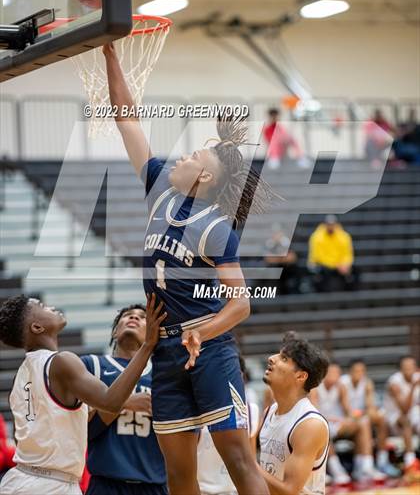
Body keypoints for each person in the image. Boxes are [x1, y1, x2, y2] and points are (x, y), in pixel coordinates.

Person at [104, 42, 273, 495]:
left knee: (239, 461)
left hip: (208, 347)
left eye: (195, 157)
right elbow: (127, 120)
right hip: (165, 351)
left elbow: (241, 306)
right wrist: (110, 57)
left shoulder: (216, 229)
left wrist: (205, 331)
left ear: (204, 178)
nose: (183, 156)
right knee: (178, 476)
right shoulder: (159, 185)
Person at [0, 294, 165, 495]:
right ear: (37, 327)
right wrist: (148, 345)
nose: (50, 306)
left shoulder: (22, 373)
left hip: (21, 479)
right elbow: (111, 402)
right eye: (42, 306)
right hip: (51, 484)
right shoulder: (63, 362)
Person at [80, 303, 167, 495]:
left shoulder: (165, 374)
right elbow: (79, 431)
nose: (133, 318)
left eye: (142, 317)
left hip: (154, 485)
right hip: (106, 483)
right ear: (114, 332)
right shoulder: (91, 365)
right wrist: (124, 403)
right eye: (127, 315)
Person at [258, 333, 330, 495]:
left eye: (283, 359)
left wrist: (247, 463)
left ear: (301, 376)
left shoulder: (309, 424)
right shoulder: (269, 412)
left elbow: (289, 491)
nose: (271, 358)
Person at [196, 356, 260, 495]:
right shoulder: (193, 411)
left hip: (235, 491)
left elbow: (251, 462)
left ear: (240, 377)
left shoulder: (251, 410)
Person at [314, 362, 385, 483]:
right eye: (330, 373)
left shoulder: (341, 387)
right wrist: (332, 419)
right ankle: (336, 470)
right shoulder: (315, 388)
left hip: (339, 424)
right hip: (321, 422)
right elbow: (314, 412)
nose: (333, 375)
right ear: (323, 374)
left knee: (363, 423)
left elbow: (347, 410)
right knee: (322, 428)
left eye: (336, 373)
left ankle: (364, 467)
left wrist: (355, 417)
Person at [340, 359, 400, 477]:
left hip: (360, 416)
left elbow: (370, 407)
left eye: (362, 370)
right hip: (344, 419)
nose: (359, 373)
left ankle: (382, 461)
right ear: (350, 372)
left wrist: (370, 413)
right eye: (356, 370)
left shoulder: (367, 383)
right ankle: (367, 467)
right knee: (365, 422)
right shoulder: (343, 383)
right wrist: (363, 414)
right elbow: (346, 410)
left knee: (381, 420)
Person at [383, 356, 420, 473]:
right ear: (400, 369)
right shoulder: (394, 382)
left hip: (413, 414)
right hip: (393, 417)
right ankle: (410, 461)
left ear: (416, 368)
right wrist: (414, 387)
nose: (408, 370)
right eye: (405, 367)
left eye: (411, 367)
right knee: (406, 420)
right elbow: (404, 409)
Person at [308, 215, 357, 292]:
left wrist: (345, 264)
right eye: (328, 224)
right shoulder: (317, 237)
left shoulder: (344, 236)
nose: (330, 227)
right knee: (318, 273)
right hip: (323, 265)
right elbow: (318, 256)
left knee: (354, 273)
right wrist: (336, 264)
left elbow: (347, 254)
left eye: (332, 224)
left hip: (339, 265)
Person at [263, 225, 300, 294]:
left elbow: (292, 257)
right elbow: (268, 259)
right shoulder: (269, 244)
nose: (277, 235)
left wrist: (277, 258)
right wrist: (282, 257)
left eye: (278, 233)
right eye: (275, 233)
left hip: (287, 272)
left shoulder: (287, 242)